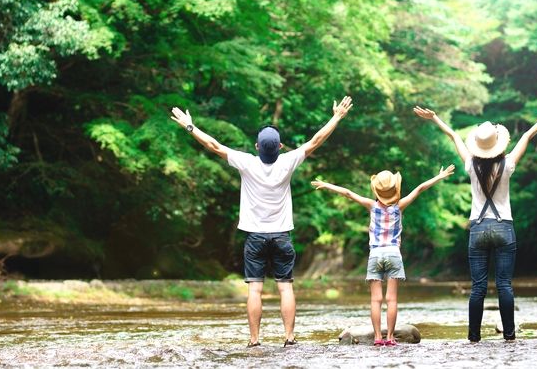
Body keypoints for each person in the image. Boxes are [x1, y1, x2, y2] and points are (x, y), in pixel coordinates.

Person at [169, 96, 353, 348]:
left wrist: (189, 126)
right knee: (285, 288)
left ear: (257, 146)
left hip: (254, 237)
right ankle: (289, 338)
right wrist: (337, 117)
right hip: (281, 236)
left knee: (254, 290)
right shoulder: (288, 161)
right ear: (279, 147)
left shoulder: (246, 162)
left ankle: (254, 341)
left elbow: (214, 145)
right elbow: (316, 140)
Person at [413, 101, 537, 343]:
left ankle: (474, 337)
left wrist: (434, 118)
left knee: (478, 288)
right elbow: (527, 135)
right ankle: (509, 336)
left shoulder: (470, 166)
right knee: (505, 285)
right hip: (504, 227)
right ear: (498, 144)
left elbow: (453, 135)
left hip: (477, 228)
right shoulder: (507, 165)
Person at [311, 164, 455, 346]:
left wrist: (327, 185)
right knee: (392, 299)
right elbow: (419, 189)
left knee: (375, 299)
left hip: (376, 255)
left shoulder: (371, 206)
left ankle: (378, 338)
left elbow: (348, 193)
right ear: (395, 189)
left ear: (376, 190)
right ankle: (390, 338)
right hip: (394, 254)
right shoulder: (399, 206)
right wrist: (439, 176)